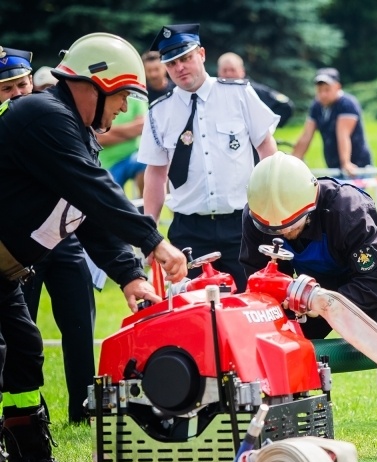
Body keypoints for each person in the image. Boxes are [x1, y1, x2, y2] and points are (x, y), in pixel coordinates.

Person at [0, 33, 187, 462]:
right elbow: (94, 189)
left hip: (4, 274)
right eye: (124, 95)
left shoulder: (71, 131)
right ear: (98, 83)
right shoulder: (43, 116)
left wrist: (130, 275)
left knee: (23, 350)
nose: (125, 108)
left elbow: (83, 211)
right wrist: (153, 242)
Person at [241, 152, 377, 462]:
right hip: (310, 289)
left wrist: (318, 303)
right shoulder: (257, 215)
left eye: (291, 226)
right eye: (271, 229)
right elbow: (257, 280)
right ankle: (280, 450)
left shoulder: (348, 208)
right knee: (268, 345)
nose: (283, 235)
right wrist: (292, 306)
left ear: (310, 205)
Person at [139, 24, 280, 292]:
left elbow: (267, 151)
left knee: (251, 305)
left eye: (186, 58)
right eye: (172, 63)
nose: (180, 68)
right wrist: (150, 234)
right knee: (192, 317)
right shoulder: (159, 112)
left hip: (242, 226)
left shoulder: (238, 94)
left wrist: (274, 207)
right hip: (189, 231)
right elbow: (155, 175)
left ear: (201, 54)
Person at [0, 49, 99, 426]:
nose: (17, 93)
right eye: (6, 88)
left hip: (65, 242)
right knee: (20, 334)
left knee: (79, 326)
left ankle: (84, 410)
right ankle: (25, 412)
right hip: (21, 249)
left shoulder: (52, 121)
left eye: (21, 84)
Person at [292, 68, 373, 178]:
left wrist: (346, 163)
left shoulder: (347, 104)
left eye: (327, 90)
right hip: (334, 168)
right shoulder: (316, 106)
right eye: (320, 90)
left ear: (338, 87)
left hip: (356, 167)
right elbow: (306, 136)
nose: (323, 94)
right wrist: (292, 162)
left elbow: (343, 135)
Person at [217, 52, 294, 128]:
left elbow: (285, 106)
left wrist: (266, 128)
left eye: (232, 70)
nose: (228, 74)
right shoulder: (214, 92)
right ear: (218, 72)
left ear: (242, 71)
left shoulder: (254, 91)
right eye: (224, 70)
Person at [97, 98, 147, 196]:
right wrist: (131, 133)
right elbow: (98, 138)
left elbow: (143, 127)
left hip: (133, 157)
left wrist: (110, 132)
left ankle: (143, 208)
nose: (124, 108)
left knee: (147, 162)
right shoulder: (101, 99)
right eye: (122, 96)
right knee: (111, 201)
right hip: (107, 164)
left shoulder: (136, 97)